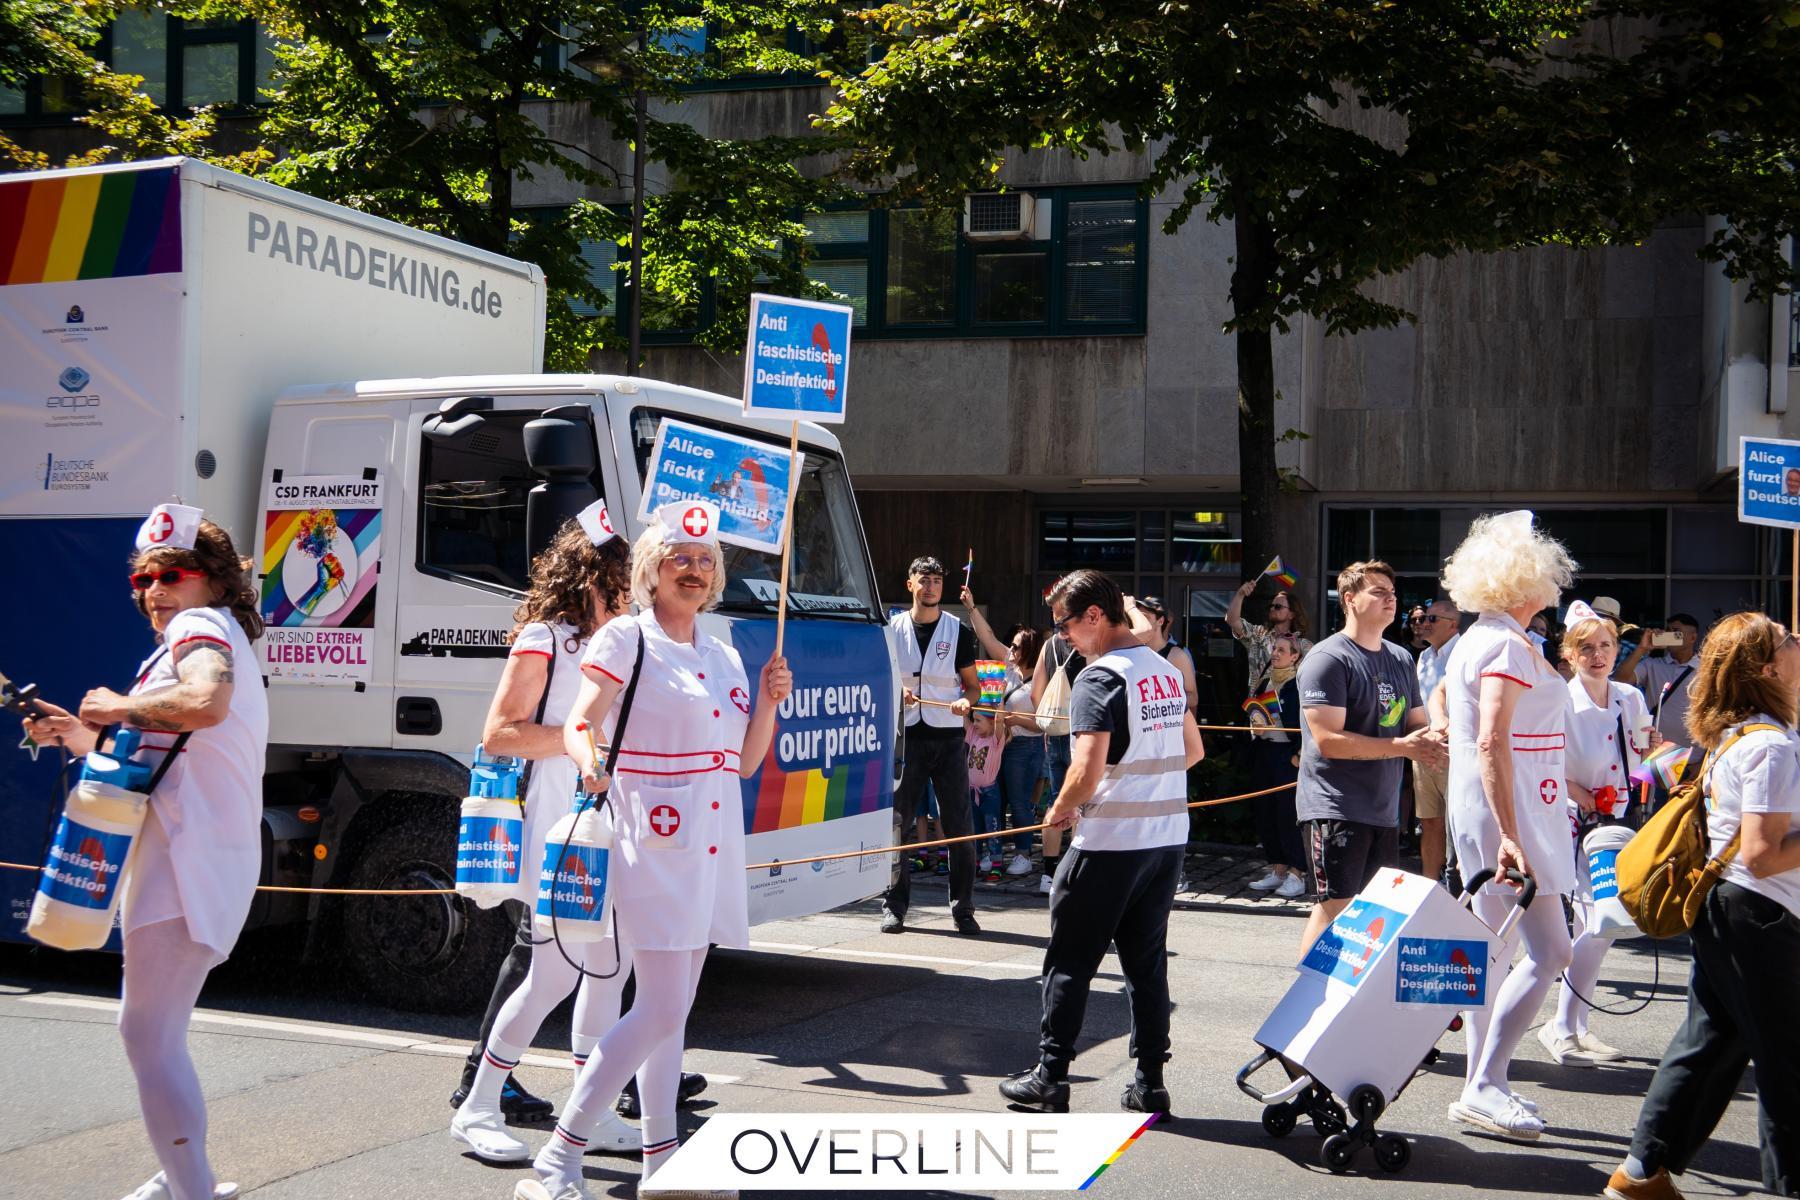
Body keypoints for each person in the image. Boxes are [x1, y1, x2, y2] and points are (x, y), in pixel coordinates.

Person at [518, 500, 790, 1200]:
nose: (694, 571)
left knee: (672, 1013)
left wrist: (767, 702)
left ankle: (662, 1164)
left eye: (705, 561)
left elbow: (746, 762)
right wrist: (586, 760)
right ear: (650, 570)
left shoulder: (723, 652)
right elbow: (580, 722)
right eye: (680, 559)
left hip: (710, 842)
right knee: (663, 1009)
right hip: (649, 835)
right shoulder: (624, 640)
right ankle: (559, 1155)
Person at [23, 504, 268, 1200]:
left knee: (146, 1034)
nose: (156, 590)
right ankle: (180, 1171)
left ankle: (191, 1185)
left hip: (189, 860)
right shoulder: (203, 631)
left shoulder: (199, 627)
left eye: (175, 573)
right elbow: (159, 757)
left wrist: (119, 706)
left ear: (213, 580)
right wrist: (80, 733)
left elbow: (208, 702)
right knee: (157, 1032)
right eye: (144, 578)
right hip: (191, 854)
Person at [450, 504, 642, 1162]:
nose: (627, 601)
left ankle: (591, 1116)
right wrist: (579, 739)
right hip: (563, 821)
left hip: (614, 822)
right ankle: (478, 1106)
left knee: (609, 971)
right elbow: (499, 733)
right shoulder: (545, 639)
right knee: (553, 975)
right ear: (589, 581)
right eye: (619, 588)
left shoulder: (626, 641)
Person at [1605, 611, 1800, 1200]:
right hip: (1760, 912)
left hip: (1726, 910)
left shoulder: (1736, 736)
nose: (1798, 642)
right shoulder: (1769, 746)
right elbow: (1765, 854)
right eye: (1788, 640)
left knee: (1709, 1042)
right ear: (1766, 667)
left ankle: (1641, 1173)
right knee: (1786, 1061)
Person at [998, 570, 1205, 1118]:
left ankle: (1050, 1076)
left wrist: (1062, 809)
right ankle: (1149, 1083)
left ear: (1094, 616)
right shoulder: (1161, 669)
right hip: (1165, 842)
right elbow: (1193, 751)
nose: (1062, 638)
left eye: (1064, 626)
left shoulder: (1100, 677)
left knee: (1069, 961)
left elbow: (1086, 770)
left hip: (1111, 841)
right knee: (1146, 965)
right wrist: (1141, 780)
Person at [1438, 510, 1578, 1141]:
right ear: (1528, 583)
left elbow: (1481, 734)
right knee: (1548, 951)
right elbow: (1494, 739)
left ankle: (1481, 1086)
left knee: (1495, 955)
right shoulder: (1507, 644)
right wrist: (1514, 833)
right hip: (1512, 815)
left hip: (1501, 810)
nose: (1554, 583)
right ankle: (1486, 1084)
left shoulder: (1480, 637)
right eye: (1547, 574)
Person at [1295, 561, 1446, 953]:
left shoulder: (1399, 658)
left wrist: (1448, 735)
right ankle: (1310, 1004)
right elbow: (1328, 740)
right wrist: (1403, 747)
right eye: (1378, 591)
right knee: (1336, 911)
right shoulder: (1329, 658)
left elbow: (1415, 724)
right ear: (1349, 600)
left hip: (1383, 809)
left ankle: (1338, 1005)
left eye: (1392, 592)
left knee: (1367, 915)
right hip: (1335, 807)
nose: (1390, 598)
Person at [1537, 600, 1655, 1071]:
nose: (1598, 655)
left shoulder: (1632, 697)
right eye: (1586, 648)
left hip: (1617, 820)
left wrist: (1653, 765)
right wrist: (1580, 792)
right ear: (1569, 653)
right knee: (1589, 922)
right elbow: (1542, 761)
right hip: (1570, 820)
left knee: (1600, 925)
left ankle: (1575, 1025)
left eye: (1605, 645)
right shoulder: (1558, 700)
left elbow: (1644, 750)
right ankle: (1563, 1026)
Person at [882, 557, 982, 935]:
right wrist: (898, 691)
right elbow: (883, 681)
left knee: (959, 827)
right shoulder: (892, 629)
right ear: (910, 584)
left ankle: (963, 908)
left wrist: (966, 703)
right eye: (924, 580)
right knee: (899, 825)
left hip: (947, 737)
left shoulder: (958, 630)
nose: (931, 587)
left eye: (937, 581)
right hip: (907, 738)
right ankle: (894, 906)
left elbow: (972, 686)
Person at [1246, 634, 1307, 899]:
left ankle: (1298, 873)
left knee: (1288, 815)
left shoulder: (1301, 683)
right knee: (1266, 811)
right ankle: (1278, 869)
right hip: (1265, 750)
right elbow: (1255, 713)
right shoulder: (1264, 681)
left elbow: (1309, 722)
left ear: (1295, 656)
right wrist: (1254, 728)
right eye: (1274, 649)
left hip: (1288, 754)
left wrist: (1300, 753)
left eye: (1282, 650)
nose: (1276, 654)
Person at [1031, 626, 1086, 896]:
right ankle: (1075, 874)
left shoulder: (1049, 645)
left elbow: (1035, 694)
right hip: (1081, 731)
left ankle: (1048, 874)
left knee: (1055, 800)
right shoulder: (1088, 642)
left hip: (1054, 734)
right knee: (1080, 801)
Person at [1412, 598, 1462, 884]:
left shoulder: (1465, 652)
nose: (1423, 624)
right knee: (1429, 821)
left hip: (1454, 749)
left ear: (1452, 624)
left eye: (1431, 619)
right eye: (1421, 619)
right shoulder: (1426, 656)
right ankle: (1430, 885)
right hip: (1425, 747)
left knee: (1456, 825)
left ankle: (1459, 887)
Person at [996, 624, 1045, 878]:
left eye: (1016, 646)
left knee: (1020, 803)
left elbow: (1045, 722)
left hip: (1026, 745)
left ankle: (1023, 854)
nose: (1011, 649)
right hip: (1003, 744)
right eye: (1011, 645)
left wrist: (1016, 720)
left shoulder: (1039, 678)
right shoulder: (1008, 671)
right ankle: (996, 854)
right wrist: (971, 609)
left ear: (1029, 650)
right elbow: (987, 637)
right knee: (997, 801)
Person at [1617, 612, 1704, 745]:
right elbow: (1619, 681)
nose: (1669, 635)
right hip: (1653, 751)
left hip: (1693, 753)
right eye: (1668, 630)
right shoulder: (1652, 664)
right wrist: (1642, 648)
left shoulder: (1706, 669)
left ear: (1692, 638)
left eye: (1676, 632)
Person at [1227, 578, 1313, 698]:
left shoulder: (1303, 645)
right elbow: (1232, 620)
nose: (1272, 608)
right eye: (1271, 606)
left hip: (1288, 707)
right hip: (1259, 708)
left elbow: (1311, 679)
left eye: (1278, 606)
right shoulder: (1259, 634)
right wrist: (1240, 594)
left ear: (1292, 614)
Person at [1129, 595, 1199, 715]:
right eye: (1138, 617)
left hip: (1165, 726)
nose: (1140, 622)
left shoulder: (1177, 655)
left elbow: (1192, 698)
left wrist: (1159, 701)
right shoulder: (1131, 652)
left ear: (1160, 621)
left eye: (1145, 617)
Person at [966, 709, 1005, 878]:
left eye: (978, 721)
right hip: (972, 791)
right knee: (975, 829)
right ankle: (974, 862)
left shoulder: (995, 740)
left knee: (992, 829)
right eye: (973, 720)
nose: (974, 724)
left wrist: (999, 700)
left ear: (991, 722)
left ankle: (996, 864)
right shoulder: (973, 735)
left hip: (989, 793)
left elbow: (1000, 720)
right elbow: (963, 717)